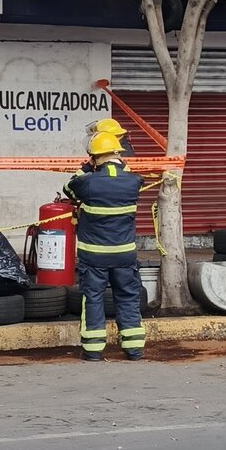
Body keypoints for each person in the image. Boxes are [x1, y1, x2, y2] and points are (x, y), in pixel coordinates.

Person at [64, 131, 146, 361]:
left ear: (94, 157)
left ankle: (93, 350)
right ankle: (134, 348)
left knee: (93, 298)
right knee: (128, 297)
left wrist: (86, 168)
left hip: (94, 256)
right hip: (125, 254)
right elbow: (131, 177)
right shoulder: (133, 182)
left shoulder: (88, 183)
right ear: (118, 155)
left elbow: (68, 188)